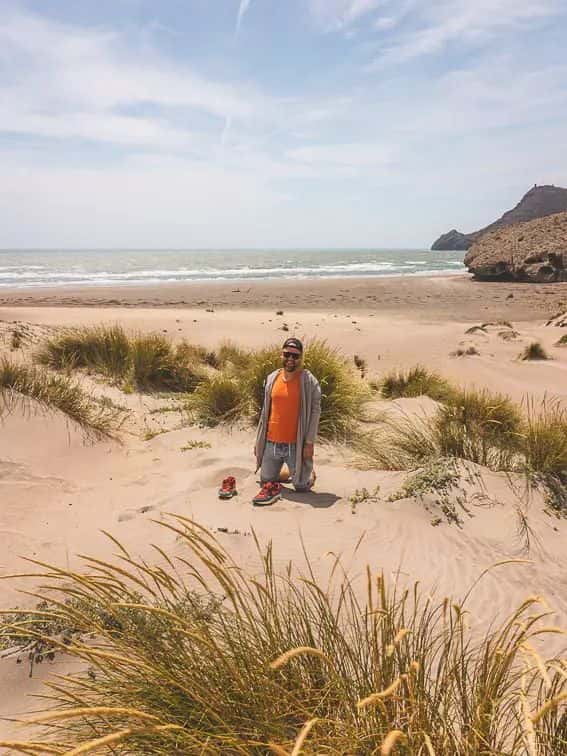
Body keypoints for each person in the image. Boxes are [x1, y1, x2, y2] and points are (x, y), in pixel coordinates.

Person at [253, 337, 321, 506]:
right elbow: (265, 413)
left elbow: (315, 412)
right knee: (266, 482)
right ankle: (288, 471)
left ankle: (307, 473)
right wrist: (259, 440)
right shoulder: (272, 378)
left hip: (294, 445)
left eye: (295, 356)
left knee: (301, 487)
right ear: (281, 355)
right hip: (271, 443)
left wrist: (309, 443)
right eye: (287, 354)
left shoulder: (308, 381)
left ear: (301, 358)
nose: (291, 359)